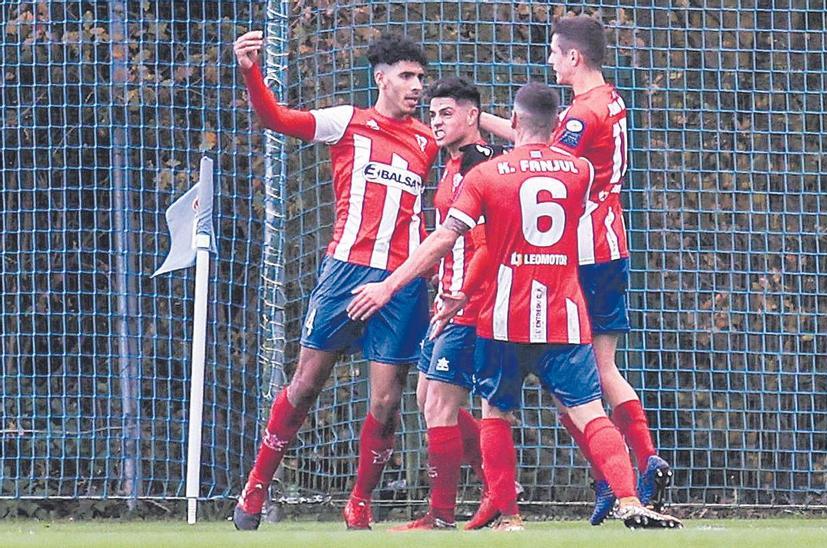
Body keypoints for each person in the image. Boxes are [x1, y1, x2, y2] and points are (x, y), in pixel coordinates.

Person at [348, 81, 682, 531]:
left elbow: (445, 238)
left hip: (505, 314)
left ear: (515, 120)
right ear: (555, 122)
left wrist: (389, 287)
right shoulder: (579, 170)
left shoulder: (487, 174)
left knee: (495, 413)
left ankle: (509, 517)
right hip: (564, 313)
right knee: (589, 411)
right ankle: (628, 498)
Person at [230, 31, 439, 531]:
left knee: (387, 401)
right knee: (305, 384)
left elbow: (467, 147)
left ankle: (360, 503)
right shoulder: (347, 121)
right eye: (407, 76)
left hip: (401, 282)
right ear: (381, 77)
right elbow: (276, 119)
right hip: (345, 273)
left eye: (420, 78)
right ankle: (256, 486)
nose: (416, 86)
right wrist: (250, 71)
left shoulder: (427, 140)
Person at [481, 15, 671, 523]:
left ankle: (613, 477)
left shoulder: (582, 115)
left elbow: (542, 163)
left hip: (580, 252)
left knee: (572, 379)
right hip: (613, 243)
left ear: (574, 58)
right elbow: (538, 139)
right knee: (604, 368)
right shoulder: (611, 99)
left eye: (554, 52)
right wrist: (489, 121)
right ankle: (645, 459)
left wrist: (481, 125)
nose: (549, 60)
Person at [389, 76, 502, 532]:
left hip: (468, 305)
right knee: (431, 399)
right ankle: (498, 488)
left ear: (472, 115)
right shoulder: (455, 164)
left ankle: (442, 515)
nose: (436, 122)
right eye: (432, 114)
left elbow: (485, 244)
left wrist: (461, 294)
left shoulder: (478, 168)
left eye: (446, 113)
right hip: (450, 299)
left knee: (438, 403)